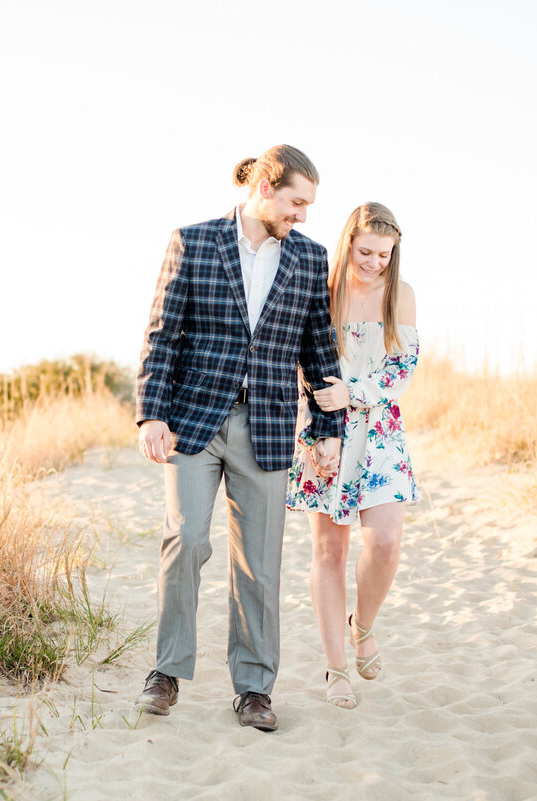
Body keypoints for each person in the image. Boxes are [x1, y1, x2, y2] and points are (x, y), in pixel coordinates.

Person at [133, 145, 345, 732]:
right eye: (296, 202)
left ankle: (254, 688)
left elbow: (318, 349)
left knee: (258, 563)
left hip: (270, 428)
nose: (302, 215)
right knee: (187, 540)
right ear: (264, 187)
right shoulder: (193, 241)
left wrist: (328, 428)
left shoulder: (308, 257)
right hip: (193, 422)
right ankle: (166, 671)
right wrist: (151, 414)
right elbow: (161, 333)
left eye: (308, 206)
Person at [286, 202, 419, 709]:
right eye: (366, 251)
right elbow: (299, 357)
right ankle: (336, 667)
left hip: (379, 430)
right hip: (323, 429)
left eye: (384, 254)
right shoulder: (322, 290)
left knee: (384, 541)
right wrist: (323, 424)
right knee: (330, 552)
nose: (374, 263)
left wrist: (356, 392)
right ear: (348, 243)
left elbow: (402, 369)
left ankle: (362, 626)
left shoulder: (399, 294)